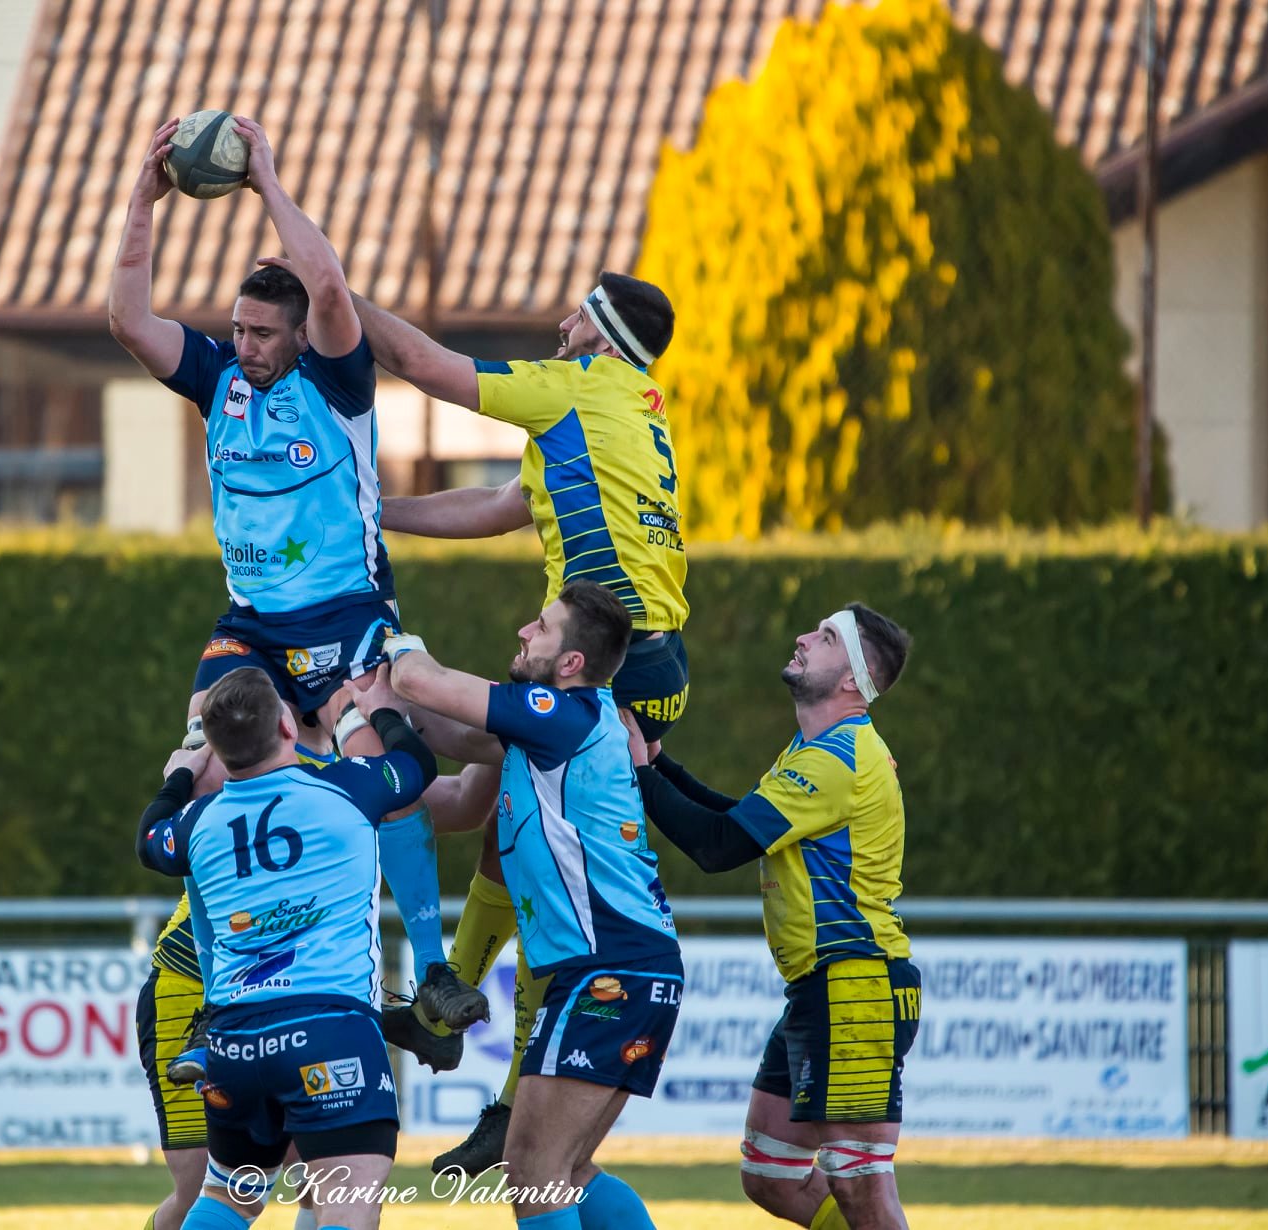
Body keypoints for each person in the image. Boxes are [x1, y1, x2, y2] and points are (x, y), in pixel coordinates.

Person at [110, 118, 483, 1090]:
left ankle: (435, 972)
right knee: (206, 785)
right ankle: (224, 1002)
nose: (245, 345)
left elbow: (325, 287)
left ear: (297, 335)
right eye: (237, 329)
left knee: (391, 772)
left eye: (260, 333)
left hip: (348, 618)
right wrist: (140, 203)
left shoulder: (336, 380)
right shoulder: (217, 381)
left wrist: (266, 178)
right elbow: (128, 322)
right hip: (250, 629)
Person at [331, 267, 689, 1168]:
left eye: (579, 311)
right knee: (491, 822)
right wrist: (376, 516)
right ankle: (449, 1021)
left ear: (601, 333)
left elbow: (420, 360)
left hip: (615, 657)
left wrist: (325, 288)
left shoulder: (571, 388)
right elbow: (498, 508)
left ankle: (491, 1074)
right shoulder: (621, 409)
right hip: (646, 655)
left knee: (532, 851)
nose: (561, 321)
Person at [384, 580, 681, 1230]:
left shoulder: (557, 714)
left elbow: (422, 683)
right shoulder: (560, 725)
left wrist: (381, 628)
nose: (523, 631)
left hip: (609, 970)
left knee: (536, 1172)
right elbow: (443, 733)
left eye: (541, 627)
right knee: (564, 1171)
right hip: (622, 967)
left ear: (571, 664)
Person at [631, 604, 919, 1230]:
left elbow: (718, 847)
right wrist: (655, 763)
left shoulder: (837, 760)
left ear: (852, 679)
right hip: (824, 989)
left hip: (856, 986)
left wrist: (639, 771)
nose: (802, 639)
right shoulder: (815, 749)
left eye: (824, 638)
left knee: (862, 1184)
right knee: (770, 1173)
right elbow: (738, 822)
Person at [136, 665, 438, 1230]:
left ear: (216, 749)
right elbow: (416, 767)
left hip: (231, 1039)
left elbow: (150, 840)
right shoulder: (346, 786)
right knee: (344, 1203)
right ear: (286, 726)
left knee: (229, 1197)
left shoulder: (200, 818)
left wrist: (178, 777)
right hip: (328, 1027)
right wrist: (373, 711)